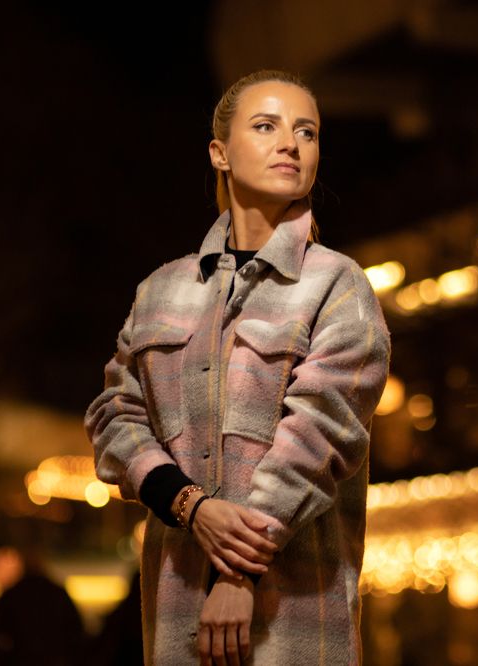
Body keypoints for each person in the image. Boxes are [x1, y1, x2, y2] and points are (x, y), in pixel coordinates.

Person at [85, 69, 391, 665]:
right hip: (176, 627)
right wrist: (188, 504)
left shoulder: (338, 286)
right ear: (219, 153)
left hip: (294, 630)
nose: (291, 144)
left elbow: (318, 438)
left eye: (307, 131)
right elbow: (113, 417)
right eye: (266, 126)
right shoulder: (159, 291)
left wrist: (236, 575)